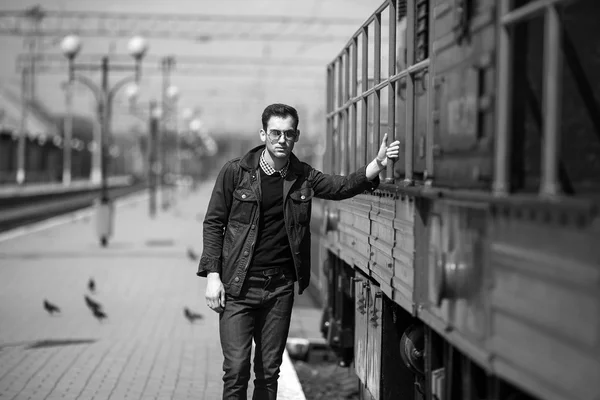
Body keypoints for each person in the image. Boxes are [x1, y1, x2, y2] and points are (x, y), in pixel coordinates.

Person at [197, 103, 400, 400]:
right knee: (237, 369)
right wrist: (212, 276)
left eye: (288, 134)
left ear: (296, 136)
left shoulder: (303, 176)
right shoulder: (235, 172)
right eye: (275, 133)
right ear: (263, 133)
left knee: (268, 371)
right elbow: (214, 223)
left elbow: (338, 187)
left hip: (278, 290)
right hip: (238, 286)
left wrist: (377, 165)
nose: (282, 139)